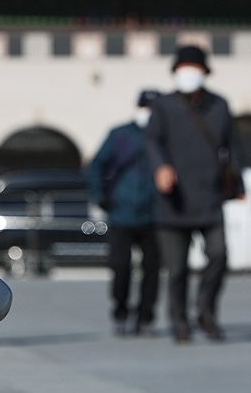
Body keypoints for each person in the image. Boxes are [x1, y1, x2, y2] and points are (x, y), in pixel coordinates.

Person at [145, 45, 239, 343]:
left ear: (204, 72)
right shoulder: (163, 106)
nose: (188, 73)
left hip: (209, 196)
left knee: (219, 255)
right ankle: (179, 322)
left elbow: (233, 148)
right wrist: (161, 167)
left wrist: (238, 185)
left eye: (194, 68)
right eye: (183, 67)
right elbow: (151, 141)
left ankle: (206, 311)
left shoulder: (219, 106)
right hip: (173, 200)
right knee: (177, 270)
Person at [85, 89, 162, 336]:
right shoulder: (120, 135)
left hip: (154, 214)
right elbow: (96, 165)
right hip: (121, 213)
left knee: (152, 269)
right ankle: (120, 312)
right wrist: (100, 196)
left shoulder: (164, 136)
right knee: (121, 267)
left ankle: (146, 316)